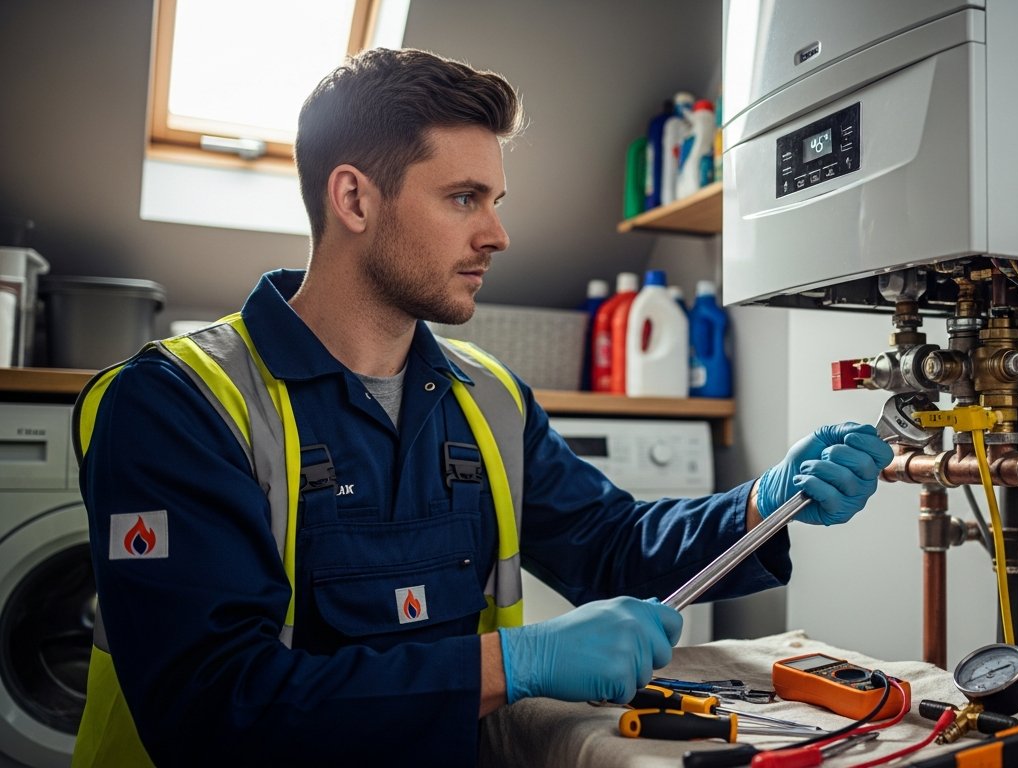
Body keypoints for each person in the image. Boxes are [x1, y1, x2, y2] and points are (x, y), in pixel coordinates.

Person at [71, 48, 893, 767]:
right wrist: (516, 662)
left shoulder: (484, 396)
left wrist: (765, 503)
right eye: (465, 198)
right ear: (354, 201)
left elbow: (610, 547)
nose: (497, 234)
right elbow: (215, 708)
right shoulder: (175, 405)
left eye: (497, 201)